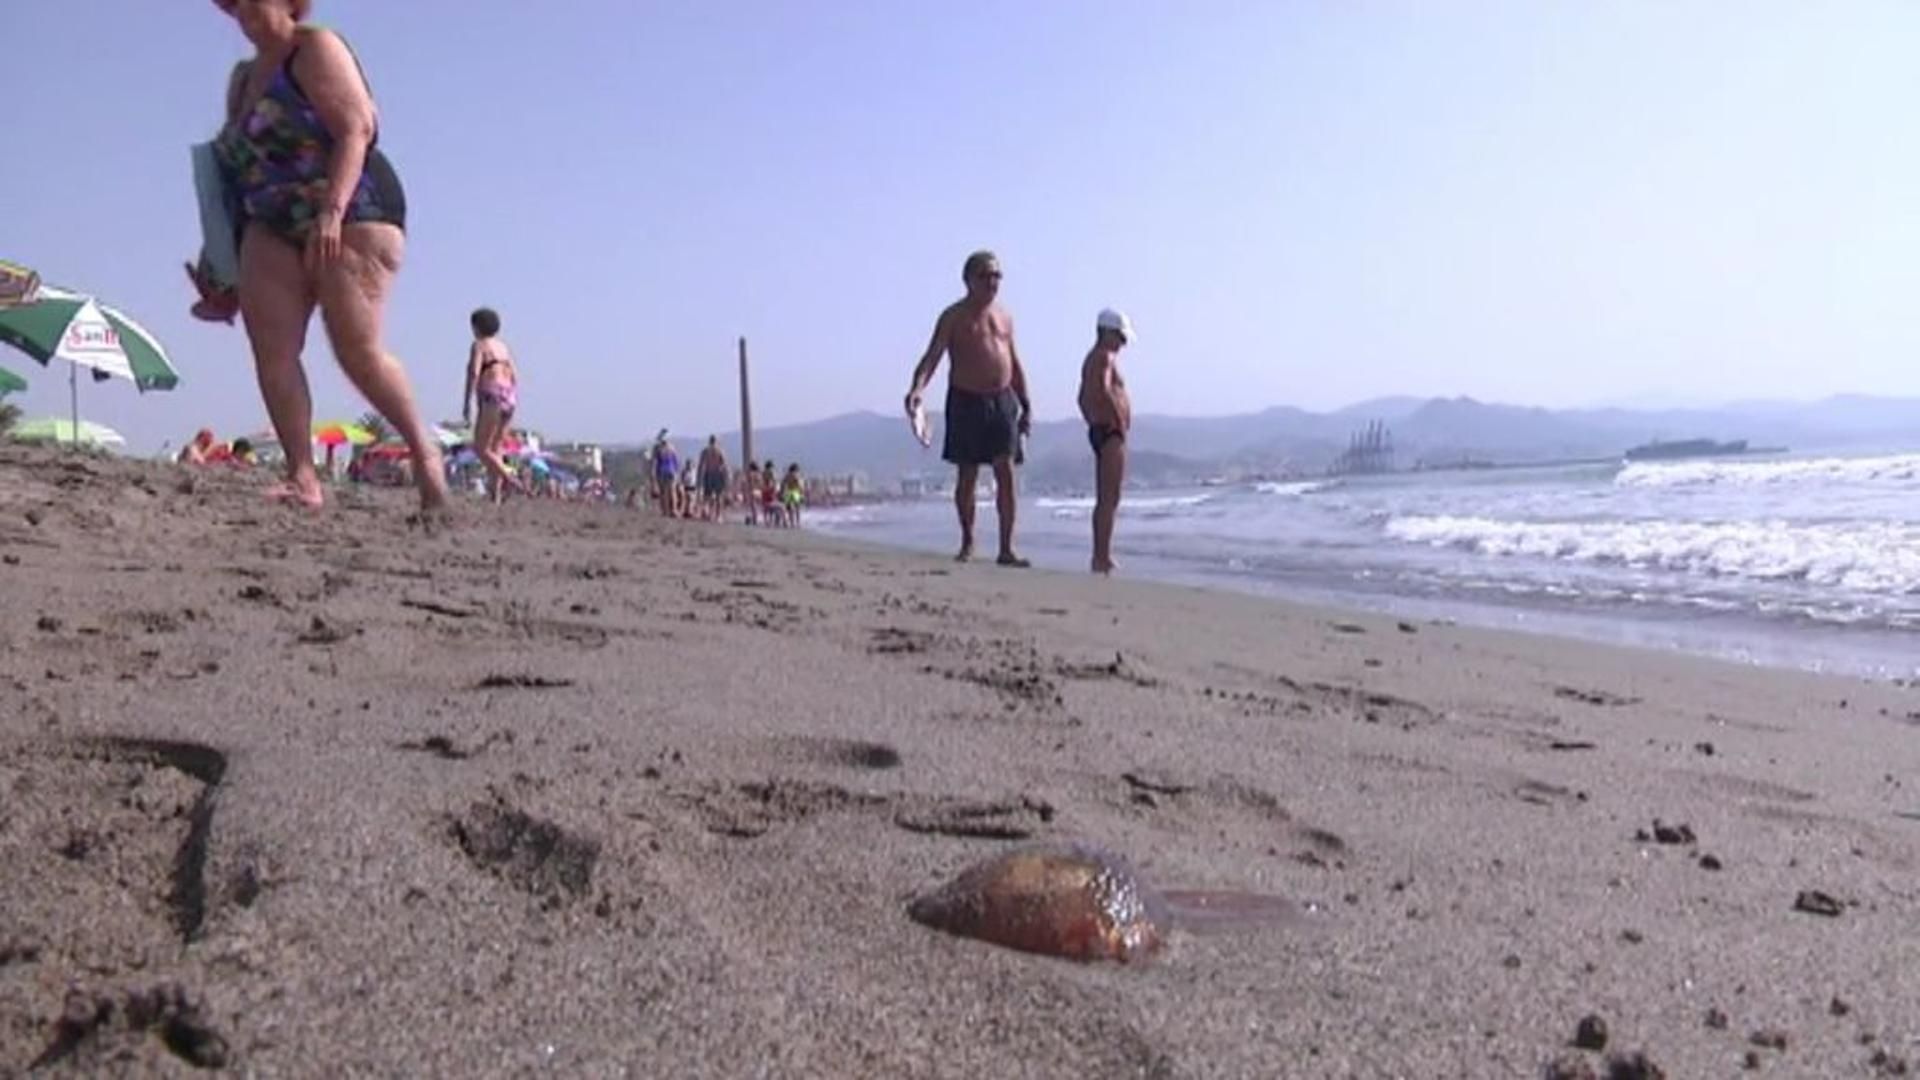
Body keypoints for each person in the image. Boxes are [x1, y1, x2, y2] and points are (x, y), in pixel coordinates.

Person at [208, 0, 446, 513]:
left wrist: (331, 212)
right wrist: (220, 270)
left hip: (354, 205)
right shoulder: (243, 79)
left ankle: (426, 455)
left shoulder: (315, 48)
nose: (240, 8)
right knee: (271, 346)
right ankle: (303, 477)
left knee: (356, 351)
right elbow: (235, 171)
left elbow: (356, 128)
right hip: (271, 215)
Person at [904, 250, 1032, 566]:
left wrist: (1026, 404)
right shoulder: (954, 316)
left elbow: (1013, 362)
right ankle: (968, 542)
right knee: (968, 474)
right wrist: (917, 389)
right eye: (985, 276)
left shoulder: (1004, 316)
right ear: (968, 280)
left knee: (1006, 472)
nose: (992, 282)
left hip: (1002, 400)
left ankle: (1006, 548)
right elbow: (932, 356)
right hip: (966, 399)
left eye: (997, 276)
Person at [1077, 309, 1134, 575]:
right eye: (1120, 337)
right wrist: (1117, 419)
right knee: (1110, 498)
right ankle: (1101, 556)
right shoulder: (1103, 357)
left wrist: (1092, 418)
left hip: (1102, 428)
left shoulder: (1092, 358)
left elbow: (1082, 397)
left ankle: (1101, 555)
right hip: (1110, 431)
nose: (1123, 344)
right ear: (1107, 333)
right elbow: (1100, 388)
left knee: (1107, 497)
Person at [461, 306, 525, 504]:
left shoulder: (479, 345)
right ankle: (495, 497)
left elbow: (474, 372)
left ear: (477, 327)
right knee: (496, 448)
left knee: (481, 448)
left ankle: (510, 480)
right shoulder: (503, 347)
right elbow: (515, 375)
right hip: (509, 395)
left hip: (492, 394)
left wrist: (467, 401)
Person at [698, 436, 730, 522]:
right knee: (713, 495)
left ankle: (714, 514)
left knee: (712, 496)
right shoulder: (716, 451)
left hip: (713, 474)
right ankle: (714, 514)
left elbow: (701, 465)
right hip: (713, 474)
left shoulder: (710, 451)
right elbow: (724, 464)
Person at [651, 431, 681, 517]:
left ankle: (668, 510)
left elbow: (655, 462)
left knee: (667, 491)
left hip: (665, 471)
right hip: (668, 471)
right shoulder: (670, 447)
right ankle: (670, 510)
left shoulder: (660, 448)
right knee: (669, 491)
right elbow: (676, 461)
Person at [780, 463, 806, 528]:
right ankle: (798, 523)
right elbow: (799, 485)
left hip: (788, 492)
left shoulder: (787, 475)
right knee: (797, 509)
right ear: (796, 469)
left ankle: (792, 523)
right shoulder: (796, 475)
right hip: (795, 492)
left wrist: (782, 492)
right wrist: (802, 493)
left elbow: (783, 484)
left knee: (790, 510)